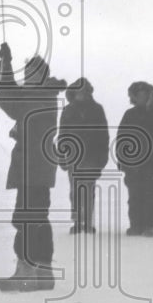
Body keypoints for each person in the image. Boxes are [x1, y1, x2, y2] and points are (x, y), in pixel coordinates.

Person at [0, 42, 67, 292]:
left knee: (25, 219)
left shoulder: (40, 95)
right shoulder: (45, 94)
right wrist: (6, 67)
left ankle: (25, 272)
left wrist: (5, 68)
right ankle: (43, 273)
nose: (27, 78)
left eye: (31, 74)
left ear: (41, 75)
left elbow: (11, 101)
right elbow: (15, 98)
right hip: (39, 168)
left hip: (32, 167)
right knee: (37, 218)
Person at [116, 82, 153, 237]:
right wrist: (121, 159)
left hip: (152, 163)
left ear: (150, 95)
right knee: (134, 195)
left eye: (144, 93)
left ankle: (149, 224)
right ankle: (135, 225)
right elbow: (122, 138)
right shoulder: (130, 115)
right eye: (138, 94)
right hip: (133, 163)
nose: (141, 97)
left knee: (150, 194)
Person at [57, 78, 110, 234]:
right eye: (79, 91)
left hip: (92, 157)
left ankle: (87, 222)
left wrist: (102, 158)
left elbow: (103, 135)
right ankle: (77, 222)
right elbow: (62, 135)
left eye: (85, 91)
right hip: (73, 157)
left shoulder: (97, 109)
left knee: (88, 190)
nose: (82, 94)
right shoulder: (68, 110)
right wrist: (61, 156)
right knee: (75, 192)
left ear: (89, 92)